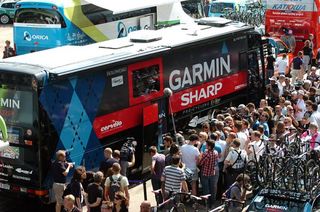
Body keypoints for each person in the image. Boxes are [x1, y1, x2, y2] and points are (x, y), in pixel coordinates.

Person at [199, 139, 219, 207]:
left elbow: (201, 163)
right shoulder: (215, 152)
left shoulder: (206, 154)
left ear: (209, 146)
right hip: (212, 172)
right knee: (212, 189)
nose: (206, 146)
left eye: (207, 145)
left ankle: (206, 203)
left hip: (205, 173)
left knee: (206, 189)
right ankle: (212, 203)